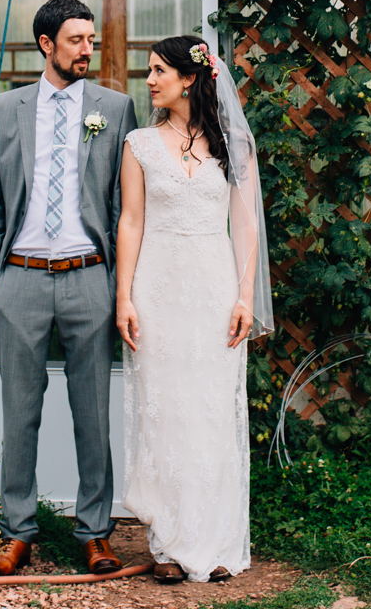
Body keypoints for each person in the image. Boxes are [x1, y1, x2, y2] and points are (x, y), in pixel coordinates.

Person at [0, 0, 139, 577]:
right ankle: (17, 532)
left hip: (88, 277)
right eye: (76, 40)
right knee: (20, 413)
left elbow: (124, 205)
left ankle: (95, 534)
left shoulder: (115, 108)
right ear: (47, 44)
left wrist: (119, 284)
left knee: (92, 412)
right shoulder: (5, 108)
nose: (87, 50)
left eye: (91, 40)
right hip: (18, 280)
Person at [115, 35, 272, 583]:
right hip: (157, 289)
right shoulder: (138, 144)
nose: (150, 80)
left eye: (159, 71)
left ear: (189, 79)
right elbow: (130, 222)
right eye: (150, 71)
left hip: (212, 288)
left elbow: (246, 225)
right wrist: (125, 296)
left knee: (210, 410)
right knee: (165, 408)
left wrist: (245, 296)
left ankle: (218, 540)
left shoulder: (234, 145)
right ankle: (168, 544)